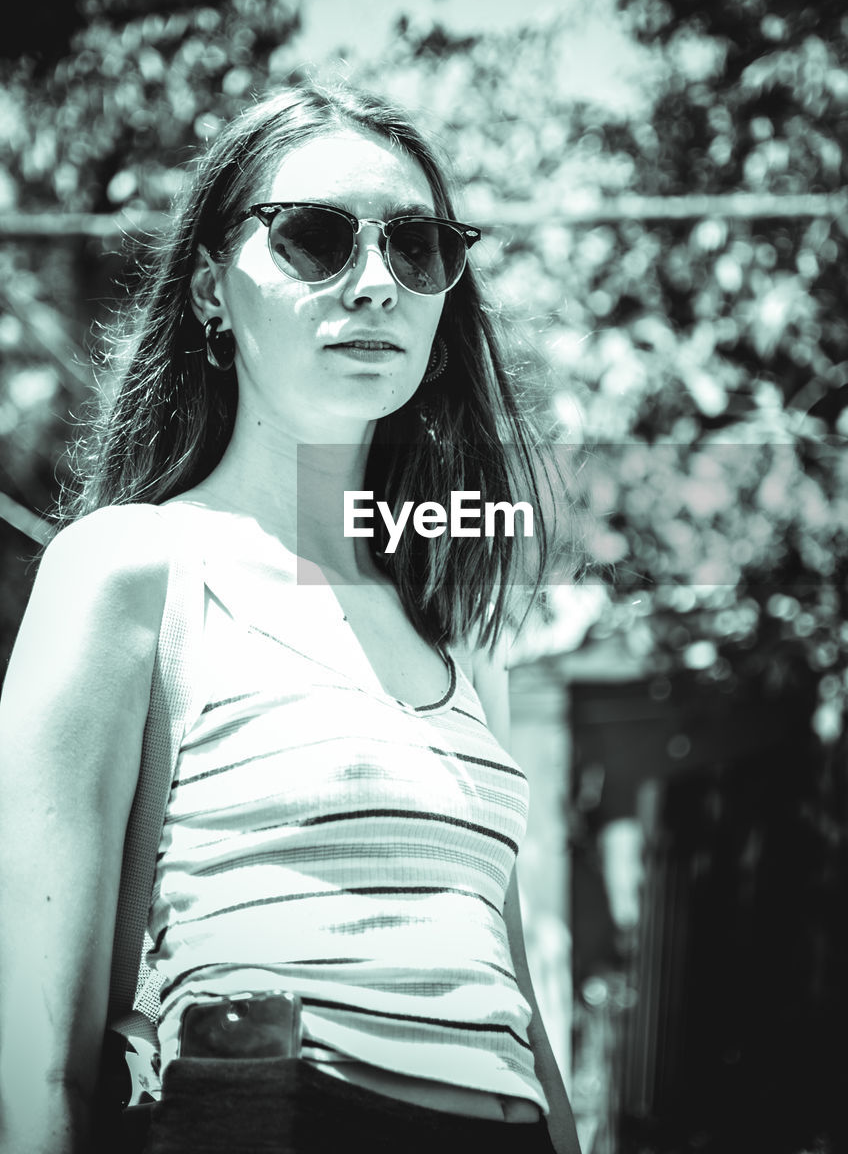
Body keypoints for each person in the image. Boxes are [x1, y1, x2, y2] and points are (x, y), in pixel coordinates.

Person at [0, 80, 581, 1154]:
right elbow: (34, 1064)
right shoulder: (130, 571)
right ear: (213, 289)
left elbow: (512, 1019)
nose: (375, 283)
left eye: (416, 246)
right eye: (315, 236)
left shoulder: (462, 639)